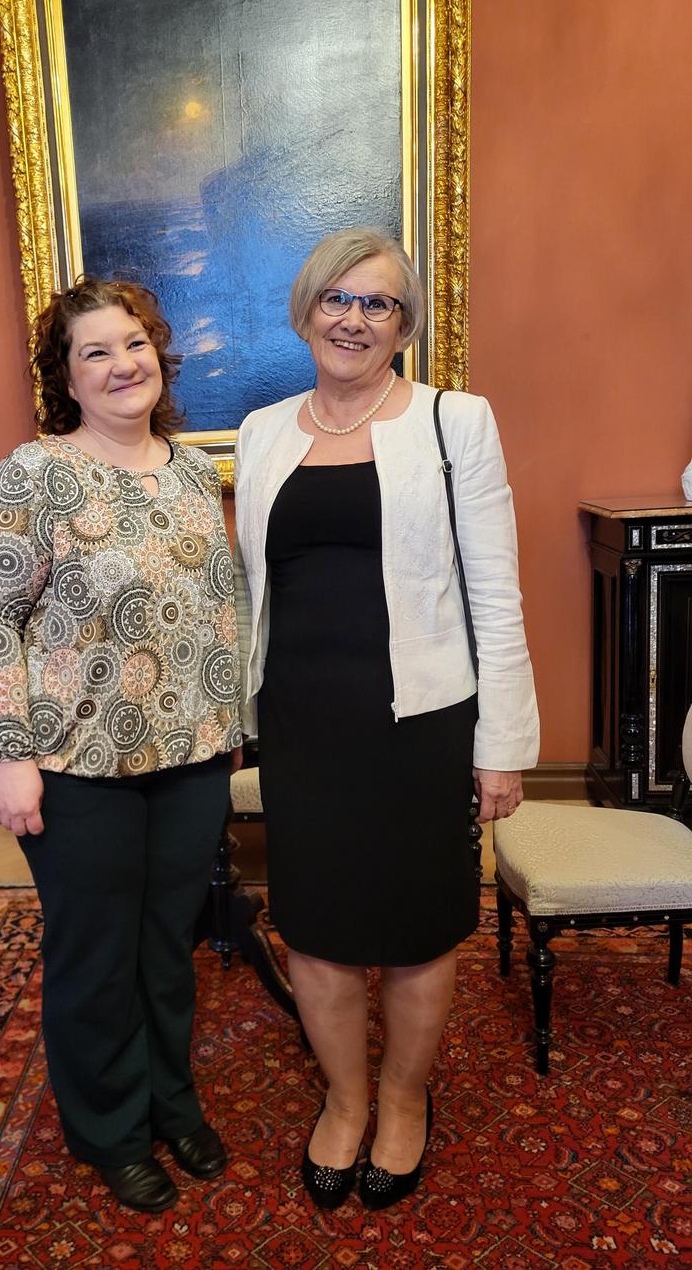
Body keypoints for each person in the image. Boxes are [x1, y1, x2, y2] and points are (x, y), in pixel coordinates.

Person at [233, 228, 539, 1212]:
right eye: (337, 297)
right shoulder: (262, 430)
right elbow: (249, 592)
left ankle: (403, 1100)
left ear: (404, 326)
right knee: (314, 926)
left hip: (420, 722)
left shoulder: (456, 421)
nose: (353, 318)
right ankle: (345, 1096)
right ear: (306, 309)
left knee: (416, 928)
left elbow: (496, 592)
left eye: (378, 303)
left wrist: (502, 746)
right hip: (303, 723)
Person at [0, 275, 242, 1213]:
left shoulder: (194, 471)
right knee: (96, 955)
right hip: (75, 763)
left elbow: (220, 608)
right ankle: (111, 1129)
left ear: (158, 353)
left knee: (167, 946)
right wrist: (10, 753)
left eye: (134, 343)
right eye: (96, 352)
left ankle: (172, 1103)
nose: (123, 364)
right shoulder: (34, 474)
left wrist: (229, 726)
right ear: (67, 378)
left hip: (191, 756)